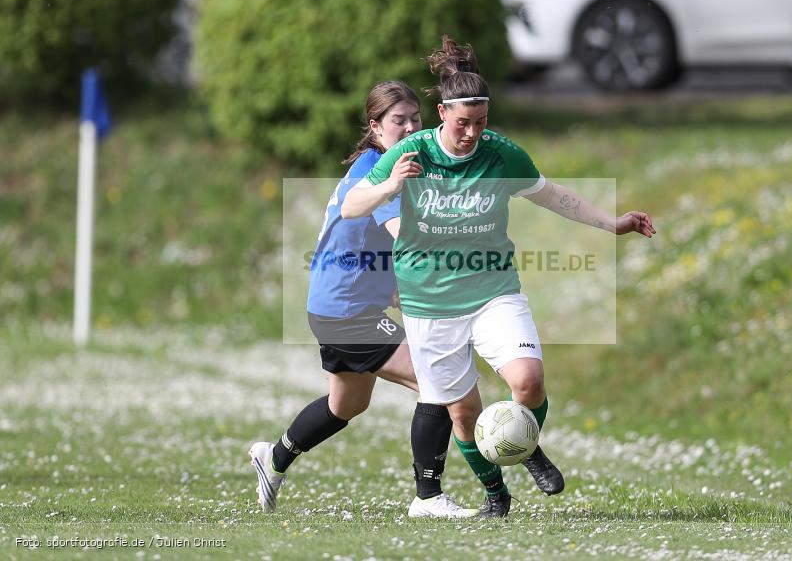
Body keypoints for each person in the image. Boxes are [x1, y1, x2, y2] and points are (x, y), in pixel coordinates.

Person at [342, 37, 655, 518]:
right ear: (442, 113)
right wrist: (389, 184)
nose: (472, 133)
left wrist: (612, 223)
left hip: (493, 292)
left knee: (528, 380)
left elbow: (554, 196)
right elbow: (351, 206)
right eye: (462, 123)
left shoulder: (502, 154)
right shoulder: (410, 152)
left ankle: (527, 448)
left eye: (481, 122)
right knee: (463, 413)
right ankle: (495, 494)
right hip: (430, 304)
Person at [249, 81, 478, 518]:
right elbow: (401, 236)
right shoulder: (381, 172)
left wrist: (391, 285)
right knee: (434, 378)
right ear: (375, 126)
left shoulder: (384, 164)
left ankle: (273, 457)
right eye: (398, 120)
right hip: (346, 310)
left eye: (415, 119)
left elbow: (369, 243)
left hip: (338, 303)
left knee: (347, 404)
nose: (409, 128)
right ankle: (428, 498)